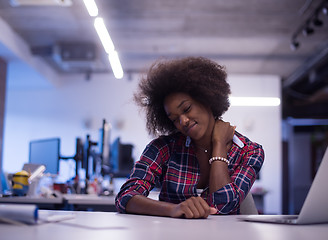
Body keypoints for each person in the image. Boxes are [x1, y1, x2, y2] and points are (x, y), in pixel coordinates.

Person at [115, 57, 264, 219]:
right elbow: (126, 197)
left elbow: (222, 206)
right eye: (174, 119)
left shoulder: (249, 152)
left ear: (206, 99)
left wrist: (219, 145)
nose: (183, 121)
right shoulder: (163, 148)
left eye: (186, 108)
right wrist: (173, 209)